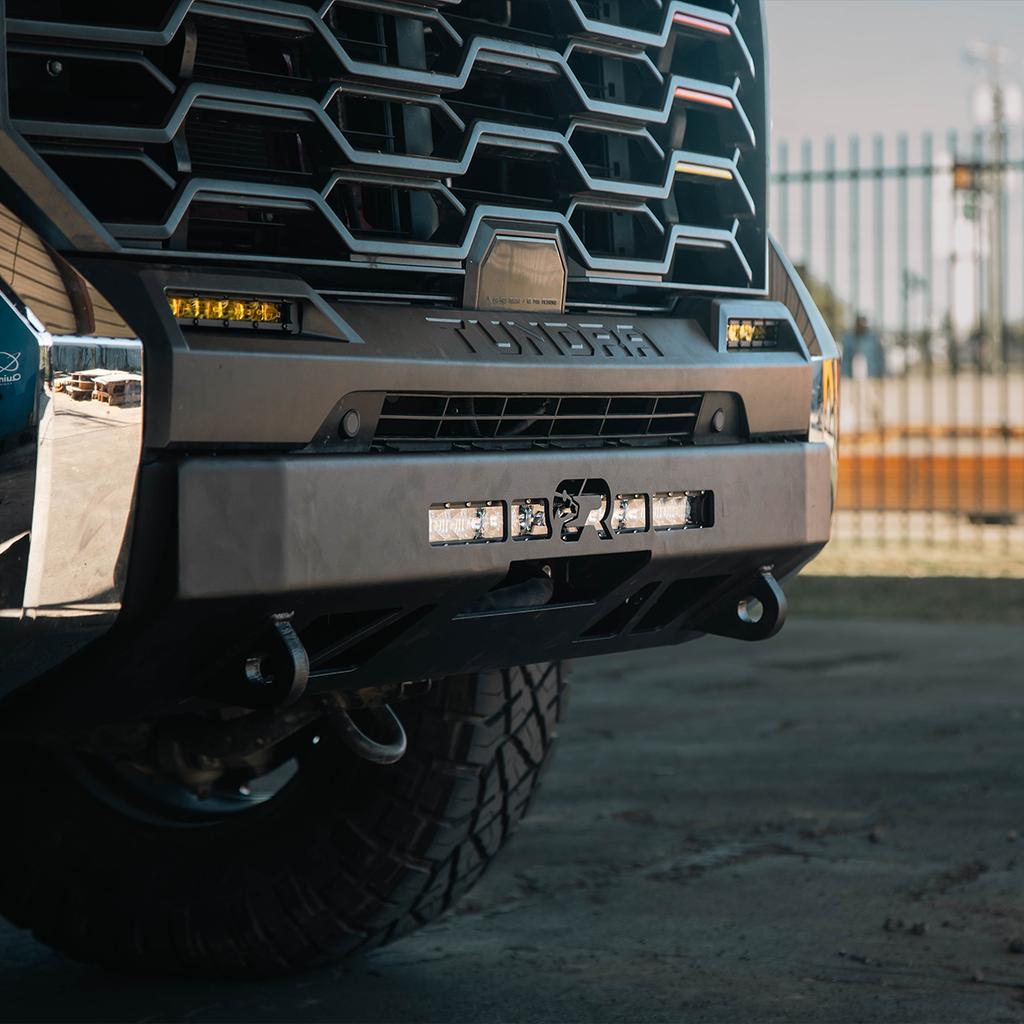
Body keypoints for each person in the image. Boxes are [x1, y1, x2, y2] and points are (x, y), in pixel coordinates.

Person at [840, 315, 885, 379]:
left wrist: (881, 373)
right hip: (853, 377)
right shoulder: (849, 340)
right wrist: (844, 375)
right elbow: (845, 361)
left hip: (871, 376)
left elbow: (880, 358)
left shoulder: (873, 340)